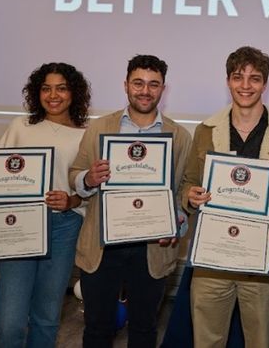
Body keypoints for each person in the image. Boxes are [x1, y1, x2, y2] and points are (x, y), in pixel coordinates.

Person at [179, 45, 269, 348]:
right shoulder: (204, 131)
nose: (246, 86)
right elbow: (188, 182)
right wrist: (191, 195)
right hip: (212, 261)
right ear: (228, 81)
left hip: (264, 263)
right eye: (239, 77)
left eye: (255, 78)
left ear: (265, 84)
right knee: (206, 342)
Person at [0, 62, 91, 347]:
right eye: (46, 88)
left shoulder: (86, 135)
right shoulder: (20, 126)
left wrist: (71, 200)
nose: (53, 95)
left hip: (63, 226)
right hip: (16, 224)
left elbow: (88, 190)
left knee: (46, 316)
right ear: (36, 93)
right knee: (9, 320)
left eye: (61, 88)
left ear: (74, 93)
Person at [69, 54, 192, 348]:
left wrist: (178, 218)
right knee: (97, 329)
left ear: (163, 89)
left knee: (144, 329)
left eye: (153, 84)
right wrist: (89, 178)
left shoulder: (179, 135)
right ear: (126, 85)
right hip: (102, 246)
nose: (145, 91)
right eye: (138, 83)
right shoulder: (100, 128)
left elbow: (184, 190)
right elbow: (75, 174)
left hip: (151, 250)